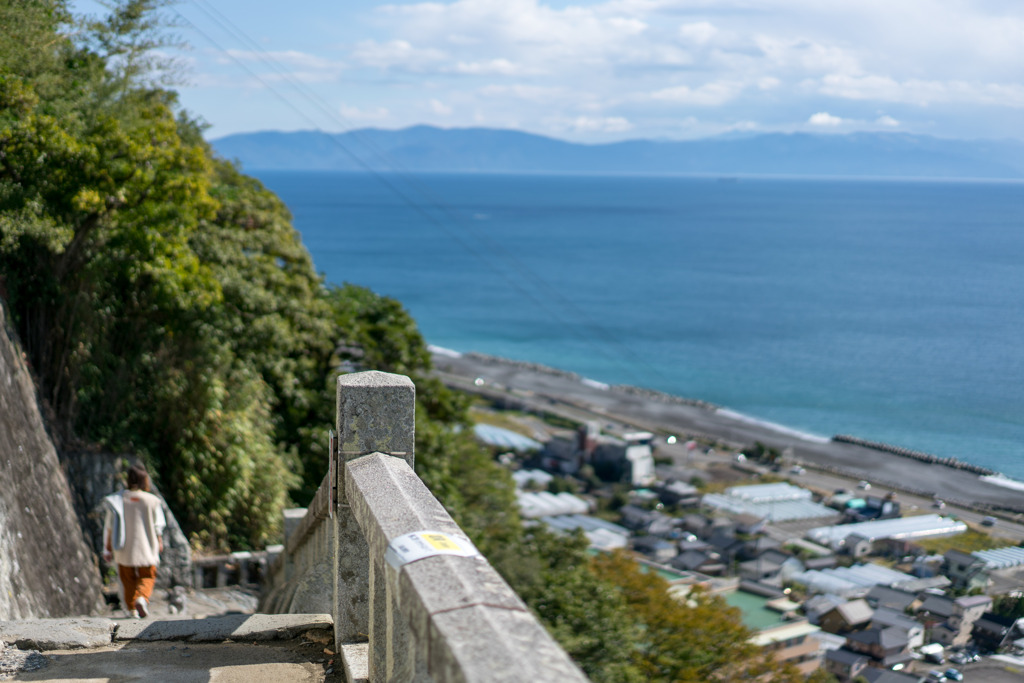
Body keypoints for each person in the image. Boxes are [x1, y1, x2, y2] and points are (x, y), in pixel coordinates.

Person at [103, 464, 166, 618]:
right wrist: (159, 541)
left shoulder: (118, 500)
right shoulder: (152, 500)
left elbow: (109, 527)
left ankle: (132, 609)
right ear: (145, 479)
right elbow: (159, 525)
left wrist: (107, 548)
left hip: (124, 547)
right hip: (147, 545)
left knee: (127, 578)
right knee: (147, 575)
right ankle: (141, 598)